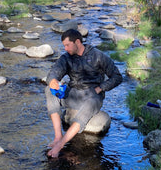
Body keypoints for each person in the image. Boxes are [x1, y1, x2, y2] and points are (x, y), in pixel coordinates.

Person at [45, 29, 123, 158]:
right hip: (73, 95)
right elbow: (54, 72)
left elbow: (117, 77)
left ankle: (61, 144)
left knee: (91, 103)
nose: (65, 48)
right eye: (64, 45)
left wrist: (101, 88)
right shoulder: (66, 58)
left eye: (67, 45)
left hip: (92, 96)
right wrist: (52, 80)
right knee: (49, 90)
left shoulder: (98, 56)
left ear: (77, 42)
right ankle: (58, 136)